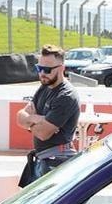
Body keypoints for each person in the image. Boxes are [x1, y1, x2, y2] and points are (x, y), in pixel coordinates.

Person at [16, 45, 81, 178]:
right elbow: (20, 117)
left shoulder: (66, 96)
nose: (42, 73)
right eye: (39, 68)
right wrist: (36, 119)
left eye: (47, 69)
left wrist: (29, 122)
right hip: (45, 159)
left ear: (61, 68)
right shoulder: (45, 87)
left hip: (56, 161)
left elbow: (43, 133)